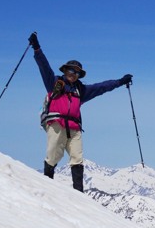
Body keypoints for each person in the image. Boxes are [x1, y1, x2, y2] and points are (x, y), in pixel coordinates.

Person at [29, 32, 132, 192]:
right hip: (56, 124)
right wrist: (37, 49)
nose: (73, 75)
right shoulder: (54, 83)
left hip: (75, 128)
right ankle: (47, 185)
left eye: (76, 73)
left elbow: (101, 87)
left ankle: (79, 193)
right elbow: (44, 66)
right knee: (53, 155)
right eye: (71, 71)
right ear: (65, 71)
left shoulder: (81, 90)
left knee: (77, 158)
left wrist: (119, 82)